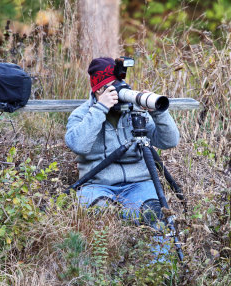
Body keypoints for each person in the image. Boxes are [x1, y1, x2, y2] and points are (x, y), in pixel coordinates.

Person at [65, 57, 180, 259]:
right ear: (98, 91)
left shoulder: (134, 110)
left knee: (155, 214)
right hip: (97, 184)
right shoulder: (82, 114)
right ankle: (103, 271)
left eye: (119, 87)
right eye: (110, 89)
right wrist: (100, 109)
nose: (118, 95)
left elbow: (169, 141)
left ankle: (157, 271)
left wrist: (157, 114)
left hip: (138, 184)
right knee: (99, 216)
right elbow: (78, 145)